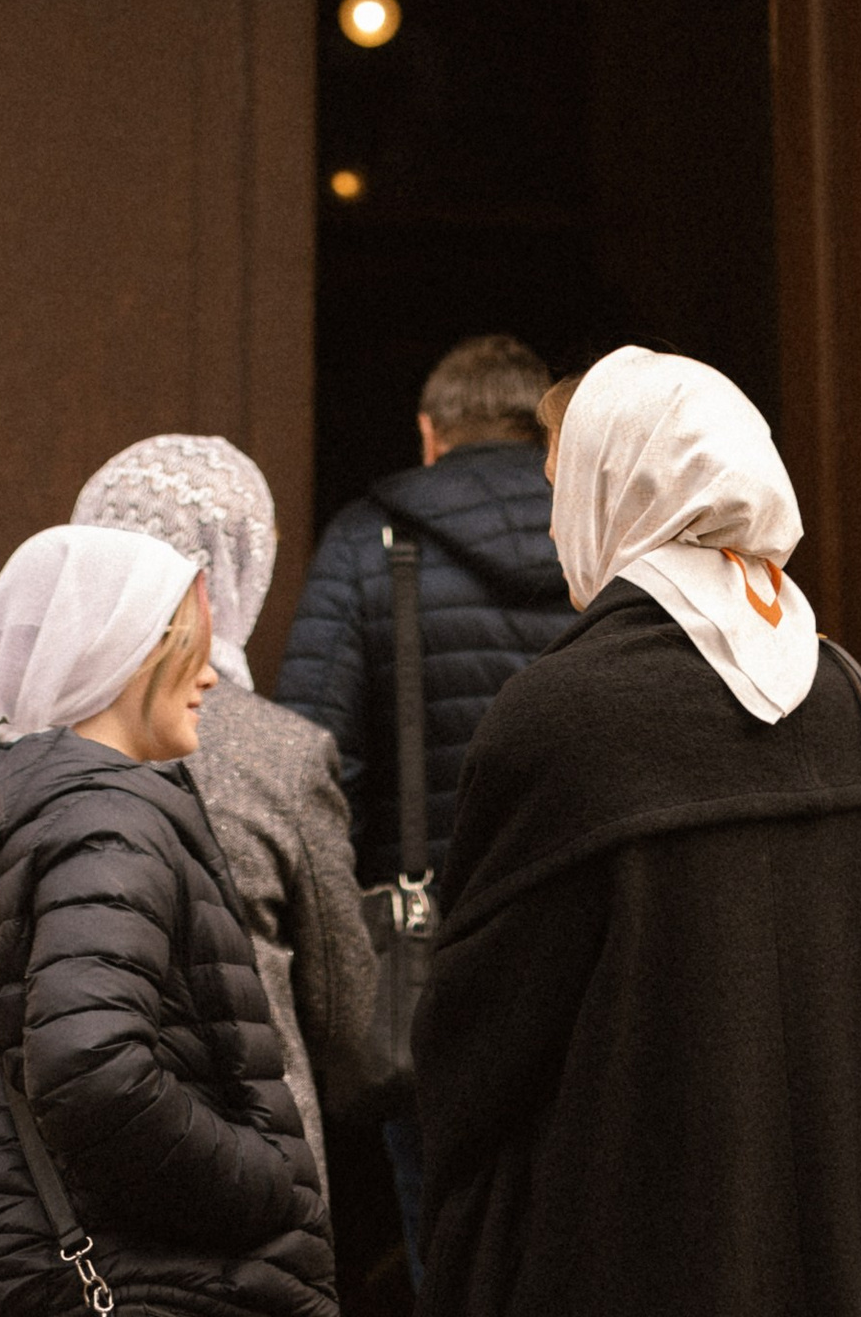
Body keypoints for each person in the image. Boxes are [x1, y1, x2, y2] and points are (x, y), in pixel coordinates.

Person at [410, 345, 861, 1317]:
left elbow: (477, 1043)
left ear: (621, 489)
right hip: (838, 1238)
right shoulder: (832, 689)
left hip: (638, 1239)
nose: (550, 518)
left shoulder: (563, 712)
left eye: (562, 486)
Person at [0, 520, 335, 1317]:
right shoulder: (107, 813)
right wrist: (267, 1180)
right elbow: (88, 1068)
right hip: (124, 1281)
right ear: (129, 656)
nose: (209, 677)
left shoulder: (20, 799)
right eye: (191, 647)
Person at [276, 334, 571, 1270]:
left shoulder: (371, 541)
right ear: (545, 432)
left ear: (428, 434)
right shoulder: (607, 536)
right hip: (593, 937)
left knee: (448, 1230)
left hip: (429, 955)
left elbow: (312, 762)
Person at [72, 436, 380, 1193]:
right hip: (252, 1187)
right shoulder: (282, 755)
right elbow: (346, 1017)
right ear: (233, 572)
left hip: (42, 1191)